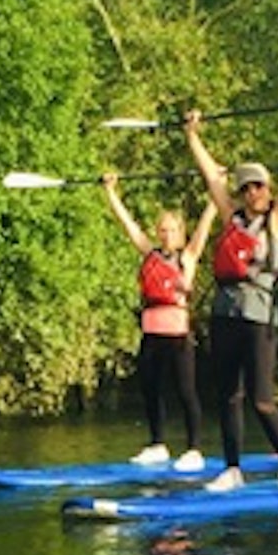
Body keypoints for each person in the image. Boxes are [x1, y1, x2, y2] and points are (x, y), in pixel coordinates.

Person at [184, 97, 278, 492]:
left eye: (258, 185)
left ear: (267, 189)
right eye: (246, 187)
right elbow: (211, 179)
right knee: (229, 396)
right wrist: (191, 135)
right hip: (225, 315)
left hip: (259, 318)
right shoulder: (232, 218)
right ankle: (233, 469)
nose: (252, 191)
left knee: (261, 400)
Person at [101, 173, 219, 472]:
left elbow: (208, 220)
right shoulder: (149, 253)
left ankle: (194, 449)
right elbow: (127, 225)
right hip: (151, 333)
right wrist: (111, 192)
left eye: (171, 230)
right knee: (150, 389)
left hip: (178, 336)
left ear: (180, 232)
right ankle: (157, 444)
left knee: (185, 391)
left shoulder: (187, 257)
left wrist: (217, 186)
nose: (166, 235)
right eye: (162, 230)